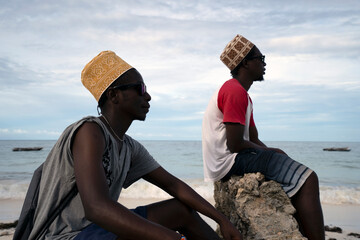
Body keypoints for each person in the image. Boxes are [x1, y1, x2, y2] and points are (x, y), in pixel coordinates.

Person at [27, 50, 242, 240]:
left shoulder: (129, 147)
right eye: (140, 88)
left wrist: (221, 219)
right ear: (114, 95)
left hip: (98, 230)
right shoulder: (89, 132)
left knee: (181, 211)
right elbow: (96, 208)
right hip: (66, 235)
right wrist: (168, 237)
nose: (148, 96)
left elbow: (173, 185)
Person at [202, 35, 325, 240]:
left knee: (292, 177)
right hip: (229, 161)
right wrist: (270, 153)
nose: (264, 63)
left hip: (230, 159)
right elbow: (235, 144)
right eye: (261, 58)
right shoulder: (234, 91)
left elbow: (253, 138)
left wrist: (273, 151)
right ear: (246, 63)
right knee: (309, 179)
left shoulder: (243, 95)